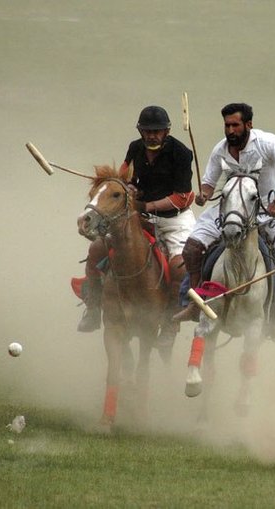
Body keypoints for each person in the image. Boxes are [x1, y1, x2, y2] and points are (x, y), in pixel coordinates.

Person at [172, 103, 275, 347]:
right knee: (191, 249)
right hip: (231, 212)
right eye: (227, 125)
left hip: (269, 213)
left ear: (248, 125)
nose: (231, 130)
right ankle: (196, 304)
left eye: (236, 125)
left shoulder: (267, 144)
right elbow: (209, 184)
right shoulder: (220, 150)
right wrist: (204, 194)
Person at [78, 105, 196, 347]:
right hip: (139, 216)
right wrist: (126, 188)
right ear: (141, 131)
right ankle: (93, 306)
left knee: (180, 268)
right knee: (97, 249)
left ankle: (171, 324)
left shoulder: (181, 154)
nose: (152, 135)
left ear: (167, 131)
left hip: (175, 220)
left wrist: (146, 206)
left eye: (157, 131)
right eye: (147, 131)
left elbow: (182, 197)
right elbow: (123, 178)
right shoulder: (135, 148)